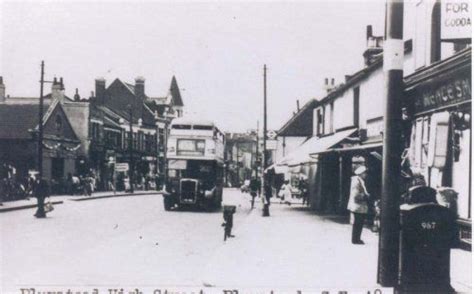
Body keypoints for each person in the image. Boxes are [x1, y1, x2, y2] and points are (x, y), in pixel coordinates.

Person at [347, 166, 370, 245]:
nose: (366, 175)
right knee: (358, 223)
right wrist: (366, 196)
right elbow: (356, 195)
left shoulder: (359, 180)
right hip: (358, 206)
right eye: (364, 173)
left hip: (358, 206)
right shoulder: (357, 181)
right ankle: (356, 239)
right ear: (361, 174)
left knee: (358, 223)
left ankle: (356, 239)